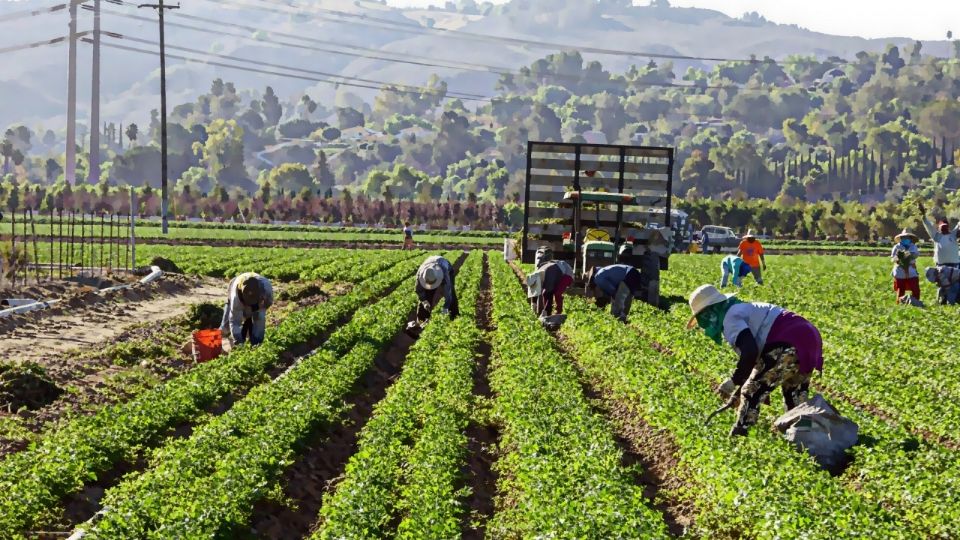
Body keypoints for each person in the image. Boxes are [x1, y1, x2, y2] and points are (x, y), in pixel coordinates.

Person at [687, 284, 824, 436]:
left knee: (751, 392)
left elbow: (750, 352)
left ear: (709, 311)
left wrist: (734, 381)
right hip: (808, 337)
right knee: (794, 394)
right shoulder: (741, 309)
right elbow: (758, 362)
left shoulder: (730, 317)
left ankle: (740, 436)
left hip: (788, 340)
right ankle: (807, 436)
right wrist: (738, 390)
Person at [919, 202, 960, 305]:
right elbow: (928, 226)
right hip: (941, 266)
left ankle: (954, 300)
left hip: (955, 264)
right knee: (942, 284)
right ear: (939, 228)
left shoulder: (953, 235)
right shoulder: (937, 236)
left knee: (956, 283)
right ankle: (943, 300)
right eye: (942, 226)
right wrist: (923, 216)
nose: (944, 228)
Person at [220, 272, 274, 347]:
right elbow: (235, 322)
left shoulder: (266, 289)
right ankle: (224, 331)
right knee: (230, 319)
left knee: (260, 317)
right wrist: (239, 341)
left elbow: (268, 304)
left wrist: (257, 310)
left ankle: (257, 342)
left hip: (259, 300)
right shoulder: (236, 297)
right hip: (235, 284)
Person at [415, 255, 458, 322]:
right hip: (430, 263)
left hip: (445, 267)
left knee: (451, 293)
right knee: (427, 294)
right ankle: (422, 320)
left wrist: (445, 307)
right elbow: (419, 290)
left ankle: (454, 316)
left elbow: (448, 292)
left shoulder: (444, 272)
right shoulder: (420, 274)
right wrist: (425, 301)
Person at [891, 229, 920, 303]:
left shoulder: (913, 246)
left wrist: (908, 254)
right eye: (904, 237)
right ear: (901, 238)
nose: (906, 239)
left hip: (911, 270)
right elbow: (893, 258)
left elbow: (915, 255)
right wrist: (900, 258)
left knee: (915, 289)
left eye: (908, 237)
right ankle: (900, 303)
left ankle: (915, 302)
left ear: (910, 238)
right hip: (900, 270)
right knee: (901, 289)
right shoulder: (896, 247)